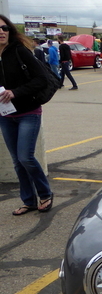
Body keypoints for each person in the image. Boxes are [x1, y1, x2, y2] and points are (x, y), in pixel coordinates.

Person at [0, 15, 54, 215]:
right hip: (5, 115)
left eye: (5, 28)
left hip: (28, 112)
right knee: (17, 160)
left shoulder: (19, 52)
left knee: (25, 157)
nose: (2, 31)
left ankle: (45, 194)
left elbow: (41, 79)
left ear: (10, 31)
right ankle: (29, 201)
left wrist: (15, 92)